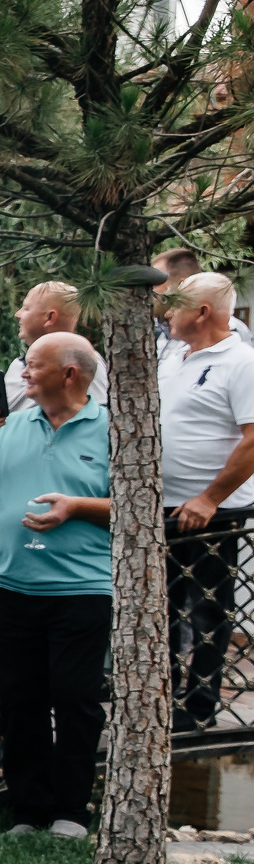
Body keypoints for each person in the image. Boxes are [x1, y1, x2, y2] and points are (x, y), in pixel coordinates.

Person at [0, 332, 111, 837]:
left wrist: (77, 507)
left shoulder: (112, 429)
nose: (22, 375)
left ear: (70, 374)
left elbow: (144, 507)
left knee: (75, 701)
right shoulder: (11, 426)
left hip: (81, 589)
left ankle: (70, 812)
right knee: (20, 702)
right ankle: (27, 810)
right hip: (11, 585)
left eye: (34, 366)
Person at [0, 283, 87, 775]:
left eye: (26, 306)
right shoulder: (14, 369)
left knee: (39, 630)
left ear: (51, 317)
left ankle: (45, 734)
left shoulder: (94, 375)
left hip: (52, 516)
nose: (17, 312)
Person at [158, 271, 254, 727]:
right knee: (162, 607)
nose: (167, 312)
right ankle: (158, 697)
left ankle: (197, 710)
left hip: (213, 511)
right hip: (159, 507)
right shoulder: (171, 354)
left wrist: (210, 497)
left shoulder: (241, 362)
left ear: (202, 312)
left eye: (175, 304)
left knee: (208, 611)